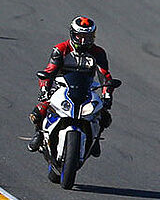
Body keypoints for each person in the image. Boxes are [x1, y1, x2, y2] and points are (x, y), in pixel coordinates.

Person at [28, 16, 116, 155]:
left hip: (87, 88)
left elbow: (105, 75)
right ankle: (39, 133)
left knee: (105, 117)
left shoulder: (98, 53)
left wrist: (107, 95)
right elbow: (49, 71)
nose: (83, 41)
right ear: (72, 34)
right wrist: (44, 89)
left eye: (87, 37)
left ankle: (95, 140)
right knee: (38, 112)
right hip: (62, 86)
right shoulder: (60, 49)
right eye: (80, 36)